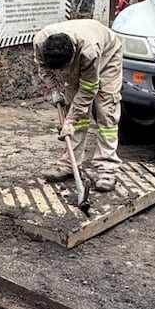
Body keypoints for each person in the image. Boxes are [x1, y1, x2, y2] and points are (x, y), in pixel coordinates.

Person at [33, 19, 124, 193]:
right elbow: (43, 68)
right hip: (81, 55)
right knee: (76, 113)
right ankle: (69, 163)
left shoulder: (90, 51)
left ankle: (107, 168)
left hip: (107, 55)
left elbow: (89, 89)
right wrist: (53, 89)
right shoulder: (40, 42)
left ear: (73, 54)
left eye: (64, 68)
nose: (61, 73)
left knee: (106, 111)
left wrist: (70, 119)